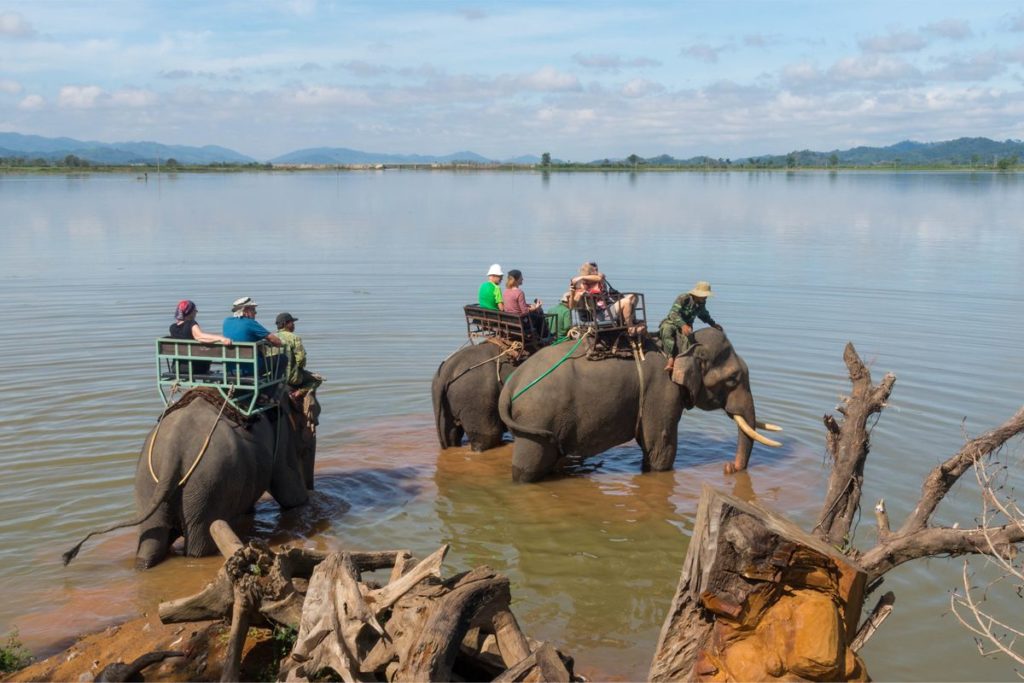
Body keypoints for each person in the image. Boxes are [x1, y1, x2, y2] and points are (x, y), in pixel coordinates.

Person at [658, 280, 723, 372]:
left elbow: (703, 314)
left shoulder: (701, 303)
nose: (706, 297)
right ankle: (670, 358)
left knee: (688, 342)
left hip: (688, 326)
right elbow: (673, 313)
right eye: (704, 295)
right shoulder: (684, 298)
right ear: (697, 294)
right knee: (666, 330)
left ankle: (684, 363)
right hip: (673, 322)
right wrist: (682, 325)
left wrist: (713, 324)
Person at [167, 299, 232, 375]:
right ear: (190, 312)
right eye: (195, 310)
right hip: (194, 368)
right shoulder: (191, 324)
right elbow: (200, 337)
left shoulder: (172, 328)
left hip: (176, 367)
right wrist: (221, 338)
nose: (196, 313)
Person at [568, 261, 637, 327]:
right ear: (589, 272)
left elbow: (600, 277)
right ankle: (630, 327)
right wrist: (572, 292)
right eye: (595, 270)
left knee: (633, 296)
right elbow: (571, 306)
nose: (597, 272)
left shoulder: (598, 279)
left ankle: (628, 319)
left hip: (608, 308)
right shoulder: (580, 289)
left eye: (597, 270)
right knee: (626, 301)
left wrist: (582, 277)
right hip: (601, 314)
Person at [275, 312, 323, 400]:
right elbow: (301, 359)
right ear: (285, 324)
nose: (294, 325)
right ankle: (298, 393)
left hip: (274, 377)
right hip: (291, 378)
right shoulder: (294, 338)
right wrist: (300, 369)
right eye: (292, 323)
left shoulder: (272, 338)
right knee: (317, 379)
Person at [502, 269, 546, 335]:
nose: (522, 279)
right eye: (521, 277)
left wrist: (529, 306)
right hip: (520, 322)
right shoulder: (519, 292)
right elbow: (525, 312)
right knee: (539, 316)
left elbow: (514, 305)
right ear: (516, 280)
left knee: (535, 314)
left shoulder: (506, 291)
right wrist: (536, 307)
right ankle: (543, 336)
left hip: (510, 320)